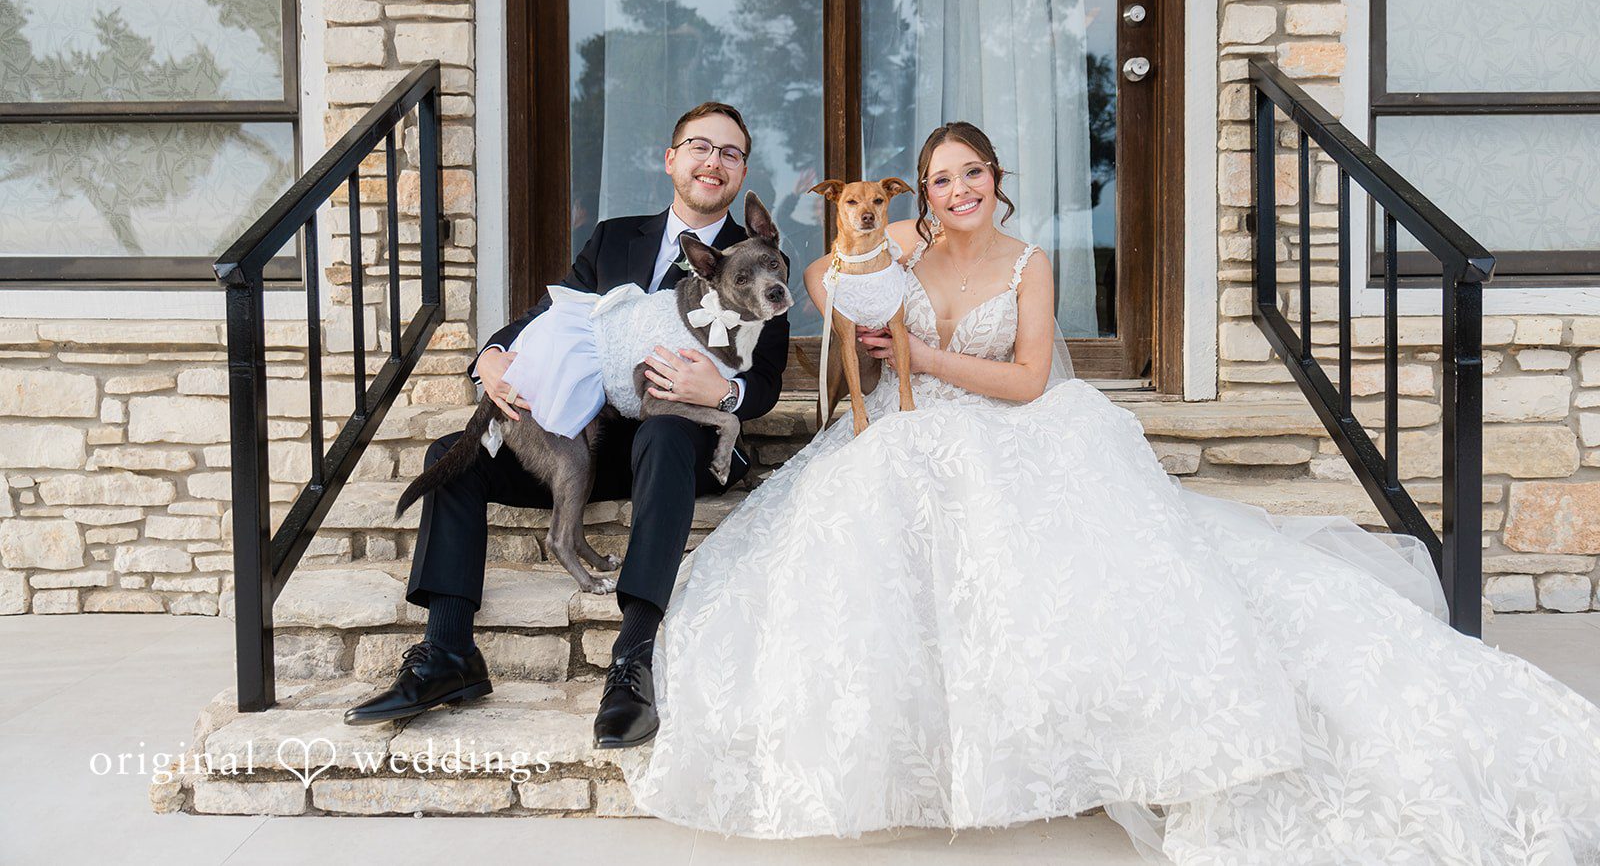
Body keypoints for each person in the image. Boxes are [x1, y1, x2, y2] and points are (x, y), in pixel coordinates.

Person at [617, 121, 1600, 863]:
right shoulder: (905, 237)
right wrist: (864, 283)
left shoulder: (1028, 263)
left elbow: (1027, 378)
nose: (956, 190)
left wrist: (915, 350)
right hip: (898, 426)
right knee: (870, 515)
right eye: (938, 178)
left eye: (970, 173)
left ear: (996, 181)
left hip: (1005, 426)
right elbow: (831, 272)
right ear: (917, 190)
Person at [344, 102, 790, 751]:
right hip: (586, 438)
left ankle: (631, 660)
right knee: (455, 451)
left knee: (664, 433)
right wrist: (493, 356)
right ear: (672, 160)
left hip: (677, 438)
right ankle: (447, 652)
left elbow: (769, 379)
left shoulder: (756, 255)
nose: (713, 160)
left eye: (730, 152)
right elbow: (553, 312)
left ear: (742, 170)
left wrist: (724, 388)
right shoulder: (615, 238)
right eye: (700, 145)